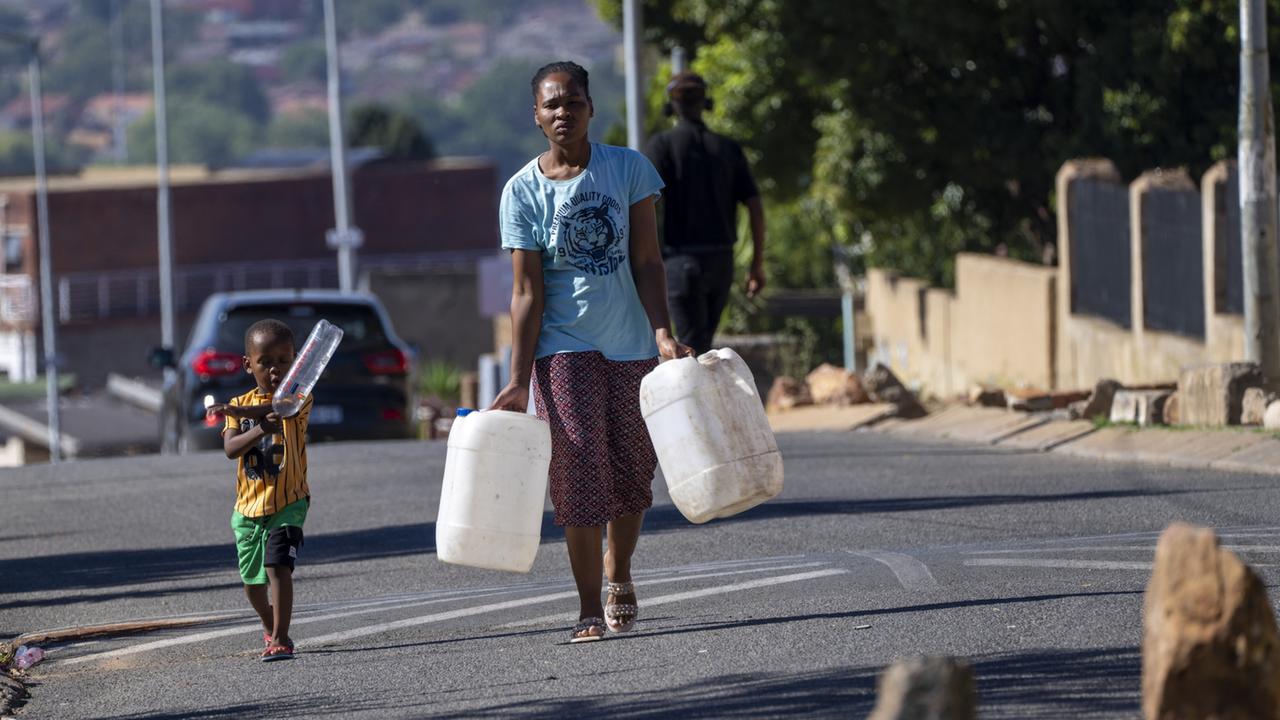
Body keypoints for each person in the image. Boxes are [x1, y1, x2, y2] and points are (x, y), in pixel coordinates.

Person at [490, 60, 694, 643]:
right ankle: (585, 609)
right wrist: (517, 377)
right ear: (536, 115)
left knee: (633, 472)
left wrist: (662, 334)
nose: (563, 113)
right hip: (563, 351)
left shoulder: (628, 168)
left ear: (590, 108)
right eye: (551, 104)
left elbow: (649, 262)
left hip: (631, 344)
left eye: (573, 102)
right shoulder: (521, 192)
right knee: (580, 475)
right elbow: (527, 292)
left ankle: (618, 571)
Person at [207, 318, 313, 662]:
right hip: (248, 510)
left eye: (284, 361)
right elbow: (231, 448)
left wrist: (245, 411)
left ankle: (281, 638)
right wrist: (255, 427)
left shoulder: (300, 397)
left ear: (296, 362)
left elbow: (281, 407)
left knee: (278, 567)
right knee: (253, 585)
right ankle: (270, 623)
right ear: (247, 364)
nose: (275, 370)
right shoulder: (236, 405)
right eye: (265, 362)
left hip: (289, 501)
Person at [644, 71, 767, 355]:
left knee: (689, 349)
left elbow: (643, 203)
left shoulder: (660, 147)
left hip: (679, 262)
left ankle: (694, 400)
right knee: (702, 344)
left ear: (670, 106)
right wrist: (756, 264)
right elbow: (755, 207)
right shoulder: (728, 148)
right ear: (706, 102)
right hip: (722, 261)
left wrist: (641, 261)